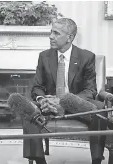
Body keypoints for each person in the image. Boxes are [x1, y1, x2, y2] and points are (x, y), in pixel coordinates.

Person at [17, 18, 107, 164]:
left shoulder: (86, 57)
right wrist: (42, 100)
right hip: (50, 106)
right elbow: (37, 87)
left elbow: (90, 90)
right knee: (28, 110)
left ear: (69, 38)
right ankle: (39, 161)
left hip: (77, 106)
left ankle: (96, 160)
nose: (51, 36)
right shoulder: (44, 56)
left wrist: (64, 102)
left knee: (100, 111)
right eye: (51, 32)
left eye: (56, 33)